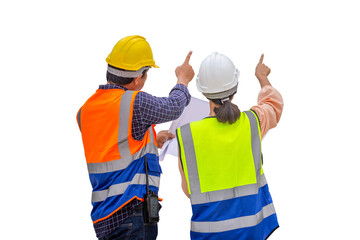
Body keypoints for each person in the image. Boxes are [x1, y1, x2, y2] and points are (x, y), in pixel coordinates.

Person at [76, 35, 195, 240]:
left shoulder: (85, 111)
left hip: (105, 216)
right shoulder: (135, 102)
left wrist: (152, 141)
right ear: (138, 77)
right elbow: (174, 107)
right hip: (131, 213)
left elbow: (114, 144)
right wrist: (182, 80)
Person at [176, 52, 283, 240]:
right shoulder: (253, 122)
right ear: (235, 87)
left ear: (203, 91)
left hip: (208, 235)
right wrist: (263, 78)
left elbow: (188, 191)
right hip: (253, 232)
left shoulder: (187, 135)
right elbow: (273, 105)